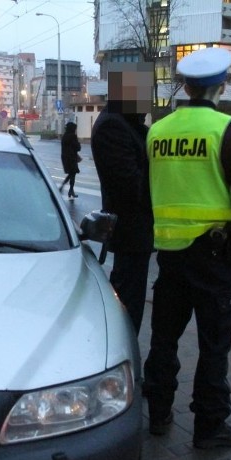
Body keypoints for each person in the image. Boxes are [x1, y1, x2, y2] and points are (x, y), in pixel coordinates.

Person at [142, 47, 231, 447]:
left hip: (170, 255)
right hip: (213, 256)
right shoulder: (229, 130)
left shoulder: (158, 131)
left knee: (164, 339)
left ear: (184, 85)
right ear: (222, 85)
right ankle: (210, 425)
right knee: (214, 344)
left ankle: (159, 413)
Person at [91, 62, 154, 334]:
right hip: (130, 230)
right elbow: (130, 186)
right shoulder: (113, 127)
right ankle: (124, 353)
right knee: (128, 304)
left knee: (132, 299)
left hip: (136, 232)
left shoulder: (125, 122)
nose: (147, 100)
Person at [59, 122, 81, 199]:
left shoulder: (64, 136)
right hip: (72, 158)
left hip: (65, 157)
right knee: (72, 173)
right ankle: (66, 188)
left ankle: (70, 190)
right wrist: (78, 142)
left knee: (72, 174)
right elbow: (78, 147)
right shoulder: (73, 136)